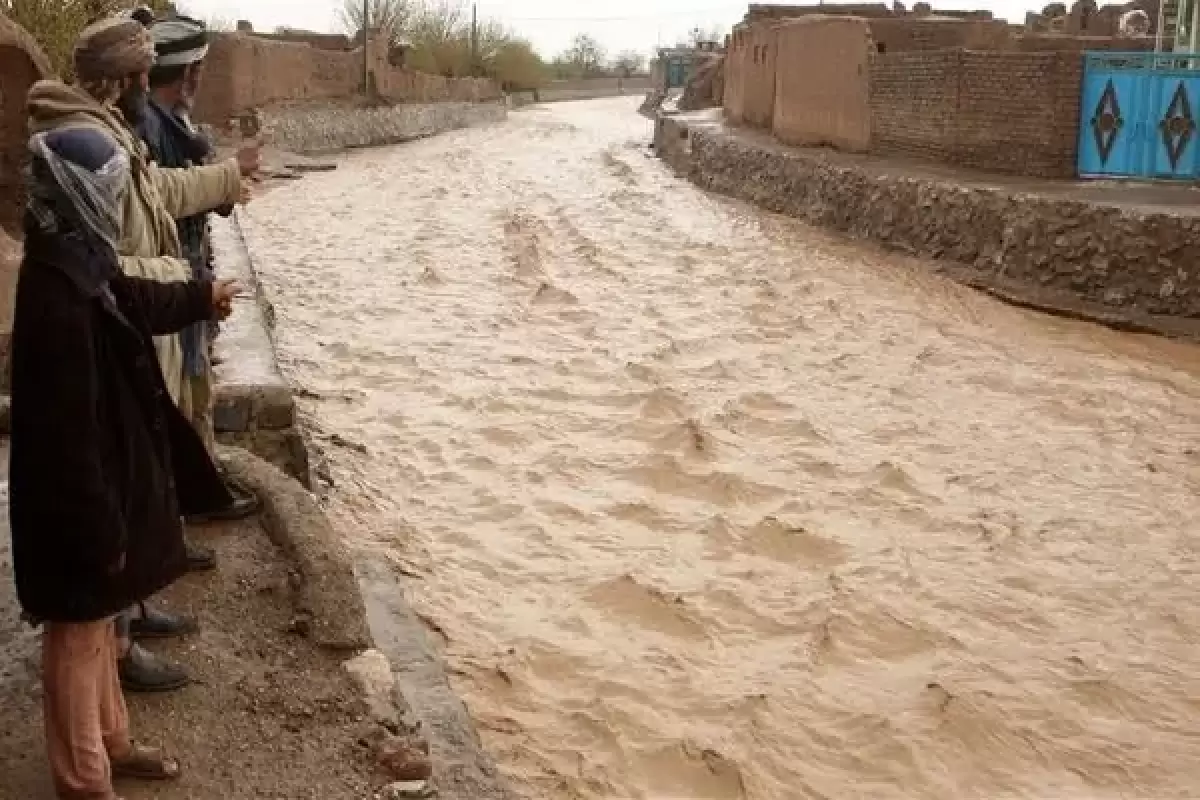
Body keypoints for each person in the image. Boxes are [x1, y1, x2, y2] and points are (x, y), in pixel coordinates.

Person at [26, 13, 257, 693]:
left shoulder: (106, 131)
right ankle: (119, 644)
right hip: (121, 327)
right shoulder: (90, 145)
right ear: (128, 79)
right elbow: (109, 266)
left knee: (135, 479)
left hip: (136, 318)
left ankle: (129, 618)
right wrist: (190, 286)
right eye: (142, 70)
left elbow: (154, 197)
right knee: (116, 491)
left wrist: (223, 180)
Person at [9, 125, 241, 800]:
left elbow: (134, 298)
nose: (115, 202)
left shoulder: (74, 259)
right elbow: (66, 442)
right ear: (81, 194)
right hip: (75, 509)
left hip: (94, 495)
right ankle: (85, 782)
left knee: (97, 629)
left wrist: (200, 296)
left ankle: (111, 745)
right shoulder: (56, 297)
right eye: (108, 189)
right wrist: (100, 531)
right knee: (78, 640)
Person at [137, 13, 260, 523]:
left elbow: (193, 193)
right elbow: (161, 196)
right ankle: (178, 512)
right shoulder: (147, 127)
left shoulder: (175, 126)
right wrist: (228, 178)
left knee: (194, 389)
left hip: (188, 280)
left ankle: (199, 492)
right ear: (189, 74)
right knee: (175, 396)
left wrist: (226, 187)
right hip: (170, 282)